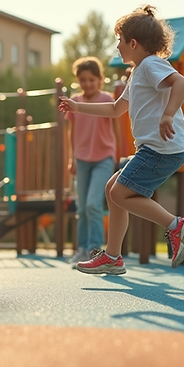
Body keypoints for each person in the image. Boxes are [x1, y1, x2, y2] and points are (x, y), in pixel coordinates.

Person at [59, 5, 184, 274]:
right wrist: (78, 108)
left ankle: (175, 225)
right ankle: (113, 256)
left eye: (119, 41)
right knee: (114, 192)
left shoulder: (150, 65)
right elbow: (114, 109)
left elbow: (182, 83)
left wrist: (168, 114)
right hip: (154, 148)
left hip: (162, 148)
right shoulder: (138, 72)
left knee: (118, 192)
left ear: (133, 43)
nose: (117, 46)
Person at [65, 56, 117, 268]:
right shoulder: (75, 101)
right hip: (82, 159)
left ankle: (95, 250)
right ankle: (82, 249)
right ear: (78, 81)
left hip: (104, 157)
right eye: (83, 80)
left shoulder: (107, 98)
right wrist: (72, 157)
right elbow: (72, 131)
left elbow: (118, 131)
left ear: (100, 80)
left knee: (93, 203)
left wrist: (117, 156)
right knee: (81, 207)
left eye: (91, 80)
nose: (87, 84)